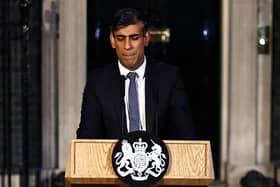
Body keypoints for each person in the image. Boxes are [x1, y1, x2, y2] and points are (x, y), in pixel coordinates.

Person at [76, 8, 195, 139]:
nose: (127, 46)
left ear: (146, 38)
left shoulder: (169, 78)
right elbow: (86, 139)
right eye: (120, 38)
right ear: (112, 40)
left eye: (134, 38)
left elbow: (186, 135)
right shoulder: (97, 83)